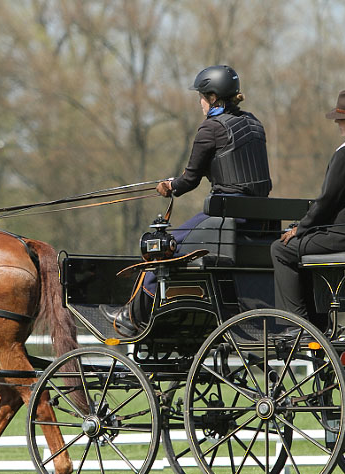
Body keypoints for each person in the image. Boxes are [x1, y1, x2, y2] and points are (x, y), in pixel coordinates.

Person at [101, 65, 272, 336]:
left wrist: (170, 186)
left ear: (214, 97)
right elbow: (233, 165)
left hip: (225, 217)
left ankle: (132, 317)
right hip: (260, 221)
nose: (200, 103)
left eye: (202, 97)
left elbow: (189, 180)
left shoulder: (211, 128)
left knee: (160, 249)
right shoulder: (254, 123)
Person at [270, 88, 345, 322]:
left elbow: (327, 201)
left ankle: (296, 323)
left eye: (340, 118)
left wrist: (301, 228)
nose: (336, 122)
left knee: (281, 249)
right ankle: (320, 321)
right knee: (308, 246)